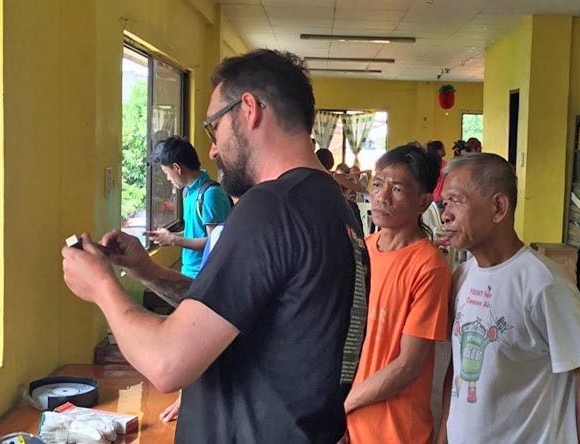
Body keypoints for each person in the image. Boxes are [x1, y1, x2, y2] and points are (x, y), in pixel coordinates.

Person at [62, 49, 369, 444]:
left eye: (214, 127)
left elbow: (167, 363)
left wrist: (103, 287)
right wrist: (146, 270)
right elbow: (232, 312)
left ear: (249, 109)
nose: (212, 149)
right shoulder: (336, 208)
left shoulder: (271, 205)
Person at [437, 153, 580, 444]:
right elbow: (457, 369)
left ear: (498, 207)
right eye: (445, 203)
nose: (446, 214)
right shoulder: (463, 276)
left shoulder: (543, 283)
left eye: (457, 201)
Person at [342, 145, 451, 444]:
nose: (382, 197)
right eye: (378, 185)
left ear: (423, 202)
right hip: (348, 425)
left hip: (395, 431)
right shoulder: (361, 248)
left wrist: (344, 407)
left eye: (398, 189)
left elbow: (408, 365)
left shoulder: (429, 266)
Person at [144, 136, 231, 279]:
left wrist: (173, 240)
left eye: (166, 173)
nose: (167, 178)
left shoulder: (210, 195)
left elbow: (215, 243)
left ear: (177, 168)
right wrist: (169, 236)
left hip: (204, 276)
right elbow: (195, 233)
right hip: (189, 272)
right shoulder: (188, 192)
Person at [426, 140, 446, 211]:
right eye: (442, 148)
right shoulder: (445, 165)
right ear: (438, 151)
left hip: (431, 198)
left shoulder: (427, 165)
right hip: (441, 198)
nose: (444, 150)